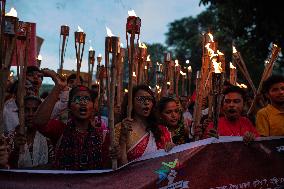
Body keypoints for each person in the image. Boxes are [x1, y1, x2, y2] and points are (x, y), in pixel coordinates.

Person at [33, 69, 112, 170]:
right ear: (69, 106)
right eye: (78, 99)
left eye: (87, 99)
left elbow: (107, 169)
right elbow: (39, 122)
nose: (82, 103)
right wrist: (58, 87)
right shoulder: (60, 131)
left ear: (93, 107)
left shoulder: (104, 136)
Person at [115, 85, 173, 165]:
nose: (146, 102)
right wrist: (123, 139)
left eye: (149, 99)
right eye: (141, 99)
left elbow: (169, 162)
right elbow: (117, 165)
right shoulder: (120, 128)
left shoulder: (160, 130)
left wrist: (172, 149)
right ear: (131, 102)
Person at [9, 96, 52, 168]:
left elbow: (52, 166)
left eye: (35, 110)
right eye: (26, 110)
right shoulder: (10, 138)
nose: (30, 114)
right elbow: (7, 167)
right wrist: (16, 150)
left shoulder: (46, 140)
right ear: (19, 113)